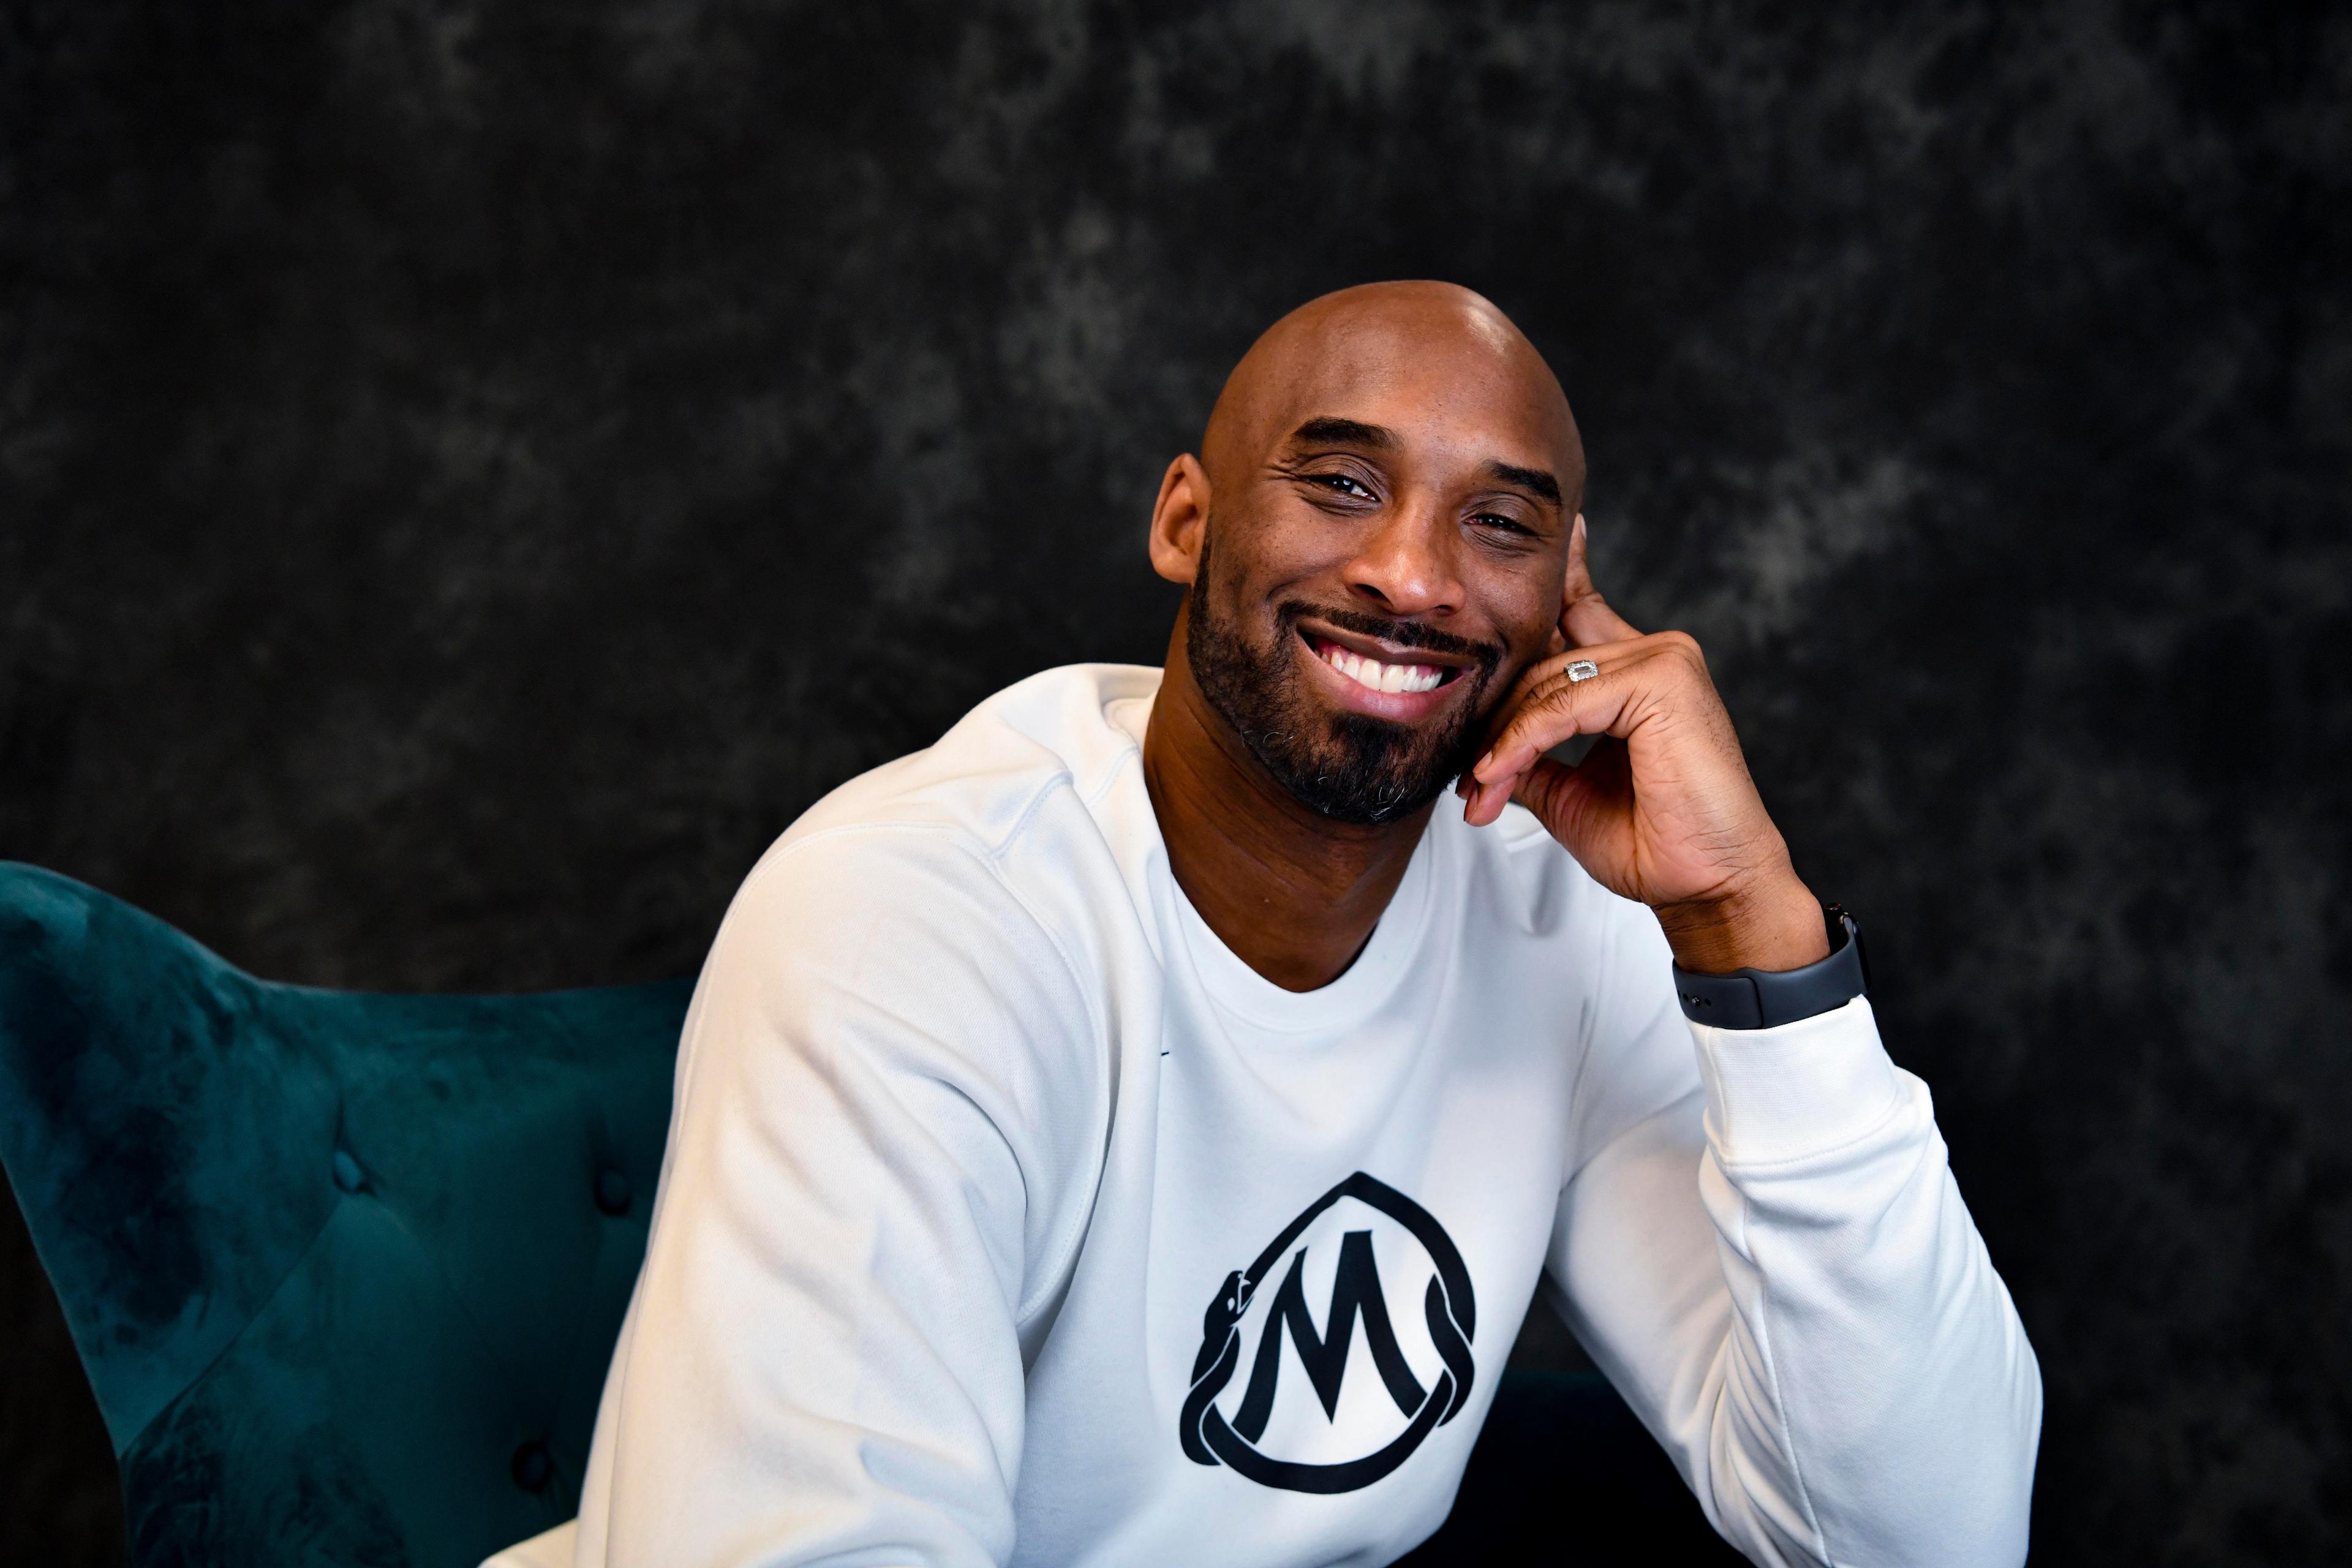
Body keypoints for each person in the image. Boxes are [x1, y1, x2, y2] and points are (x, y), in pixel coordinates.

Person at [487, 282, 2040, 1568]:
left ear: (1569, 595)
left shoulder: (1563, 917)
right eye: (1342, 482)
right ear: (1187, 517)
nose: (1412, 574)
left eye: (1499, 524)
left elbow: (1921, 1540)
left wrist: (1748, 924)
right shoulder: (918, 917)